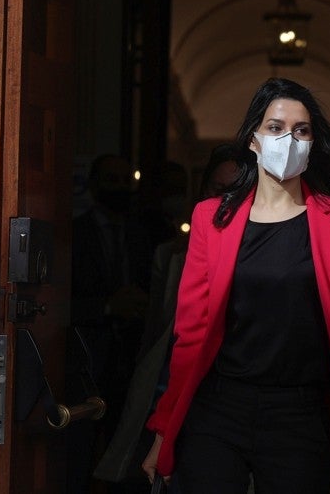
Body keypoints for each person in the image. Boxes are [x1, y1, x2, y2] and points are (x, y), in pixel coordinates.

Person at [141, 77, 330, 493]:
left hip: (298, 411)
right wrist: (163, 430)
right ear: (253, 140)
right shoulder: (212, 219)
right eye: (276, 128)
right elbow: (191, 332)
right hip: (219, 406)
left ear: (313, 143)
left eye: (302, 130)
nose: (289, 140)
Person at [92, 143, 244, 487]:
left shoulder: (268, 261)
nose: (226, 203)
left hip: (233, 400)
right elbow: (157, 332)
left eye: (237, 192)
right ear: (204, 192)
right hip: (172, 392)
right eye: (219, 191)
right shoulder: (171, 256)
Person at [69, 153, 154, 492]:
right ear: (93, 185)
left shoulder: (140, 235)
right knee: (80, 451)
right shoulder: (76, 234)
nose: (119, 189)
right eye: (111, 181)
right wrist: (107, 307)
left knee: (128, 452)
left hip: (132, 361)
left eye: (125, 182)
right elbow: (63, 301)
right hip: (88, 360)